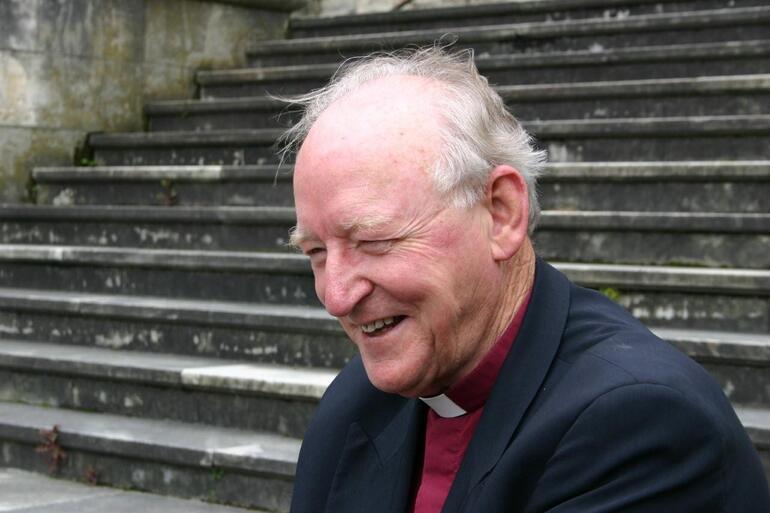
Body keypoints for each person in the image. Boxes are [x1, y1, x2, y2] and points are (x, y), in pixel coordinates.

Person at [281, 47, 770, 513]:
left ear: (500, 214)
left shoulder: (640, 423)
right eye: (316, 252)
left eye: (373, 241)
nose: (337, 296)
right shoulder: (358, 400)